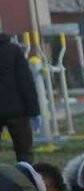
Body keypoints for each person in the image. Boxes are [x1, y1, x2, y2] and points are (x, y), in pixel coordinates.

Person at [0, 30, 39, 163]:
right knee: (24, 152)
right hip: (17, 111)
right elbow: (25, 81)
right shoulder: (14, 50)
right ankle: (26, 179)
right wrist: (34, 110)